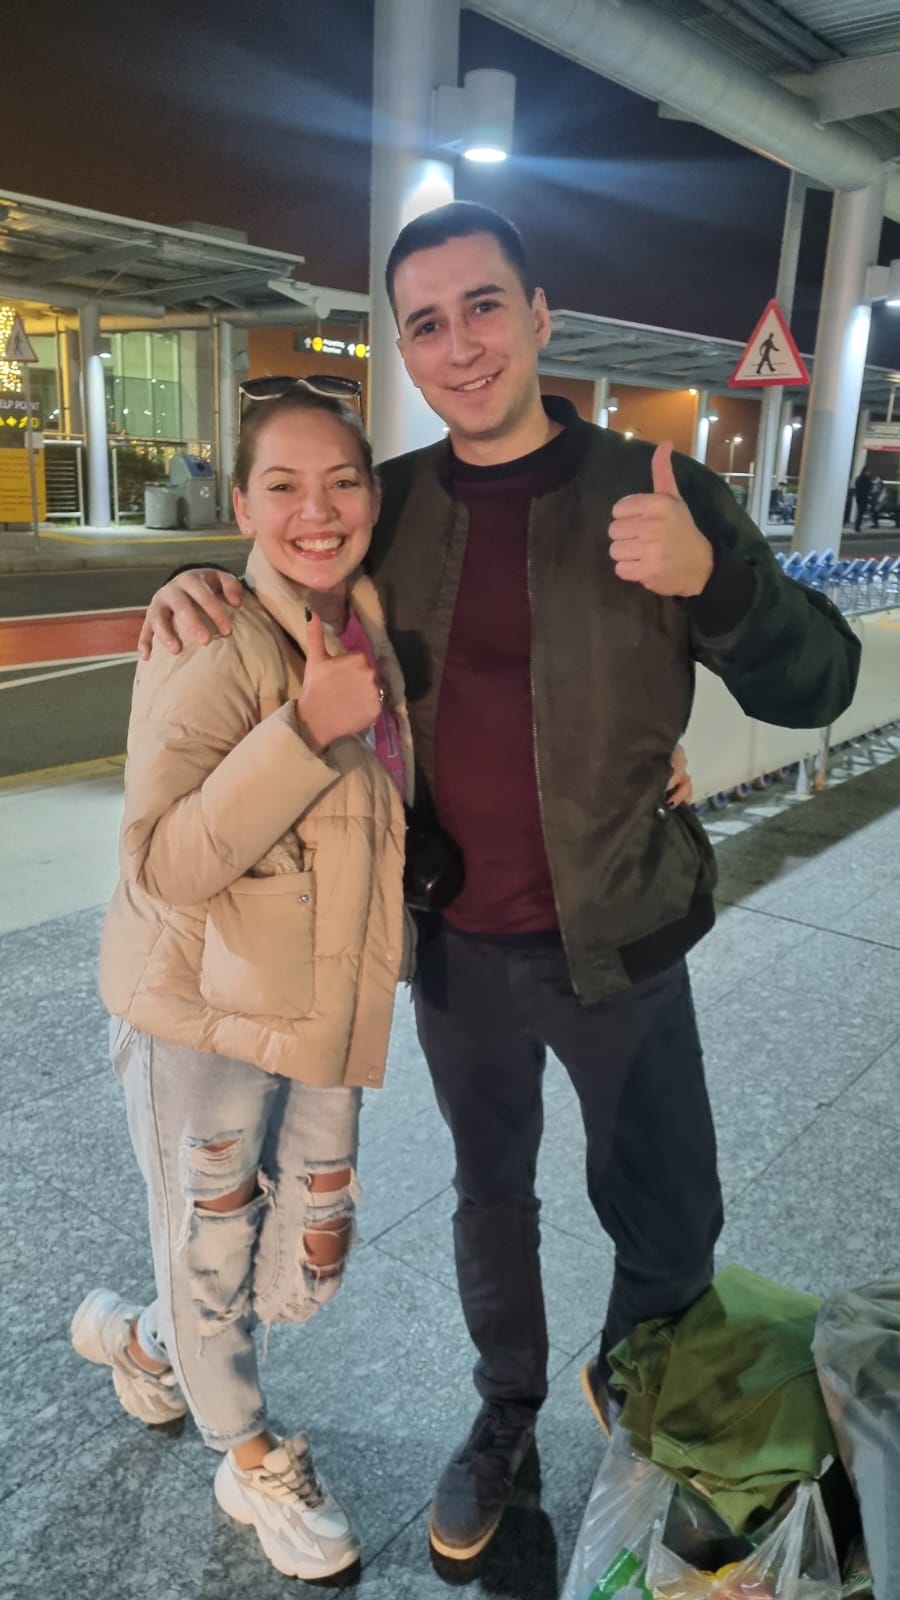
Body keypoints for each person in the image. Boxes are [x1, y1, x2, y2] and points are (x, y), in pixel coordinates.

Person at [139, 201, 860, 1566]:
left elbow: (819, 675)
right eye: (426, 321)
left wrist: (712, 586)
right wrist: (195, 583)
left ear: (538, 317)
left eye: (483, 306)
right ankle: (505, 1412)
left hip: (627, 933)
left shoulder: (654, 488)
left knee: (668, 1209)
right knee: (491, 1199)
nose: (458, 343)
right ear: (406, 351)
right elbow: (287, 575)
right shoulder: (392, 507)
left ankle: (649, 1395)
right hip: (455, 944)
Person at [70, 383, 415, 1581]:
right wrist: (305, 729)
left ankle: (147, 1341)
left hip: (319, 1004)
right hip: (195, 1012)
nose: (316, 511)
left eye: (343, 483)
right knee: (217, 1245)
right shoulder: (208, 637)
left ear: (375, 497)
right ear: (240, 503)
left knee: (309, 1250)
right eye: (284, 485)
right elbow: (160, 863)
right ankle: (250, 1457)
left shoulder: (368, 619)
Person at [854, 467, 873, 533]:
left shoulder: (858, 478)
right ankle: (857, 526)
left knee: (859, 512)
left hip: (858, 497)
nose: (869, 473)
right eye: (869, 471)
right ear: (866, 471)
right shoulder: (866, 479)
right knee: (861, 512)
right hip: (864, 497)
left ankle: (856, 525)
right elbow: (869, 487)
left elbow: (856, 486)